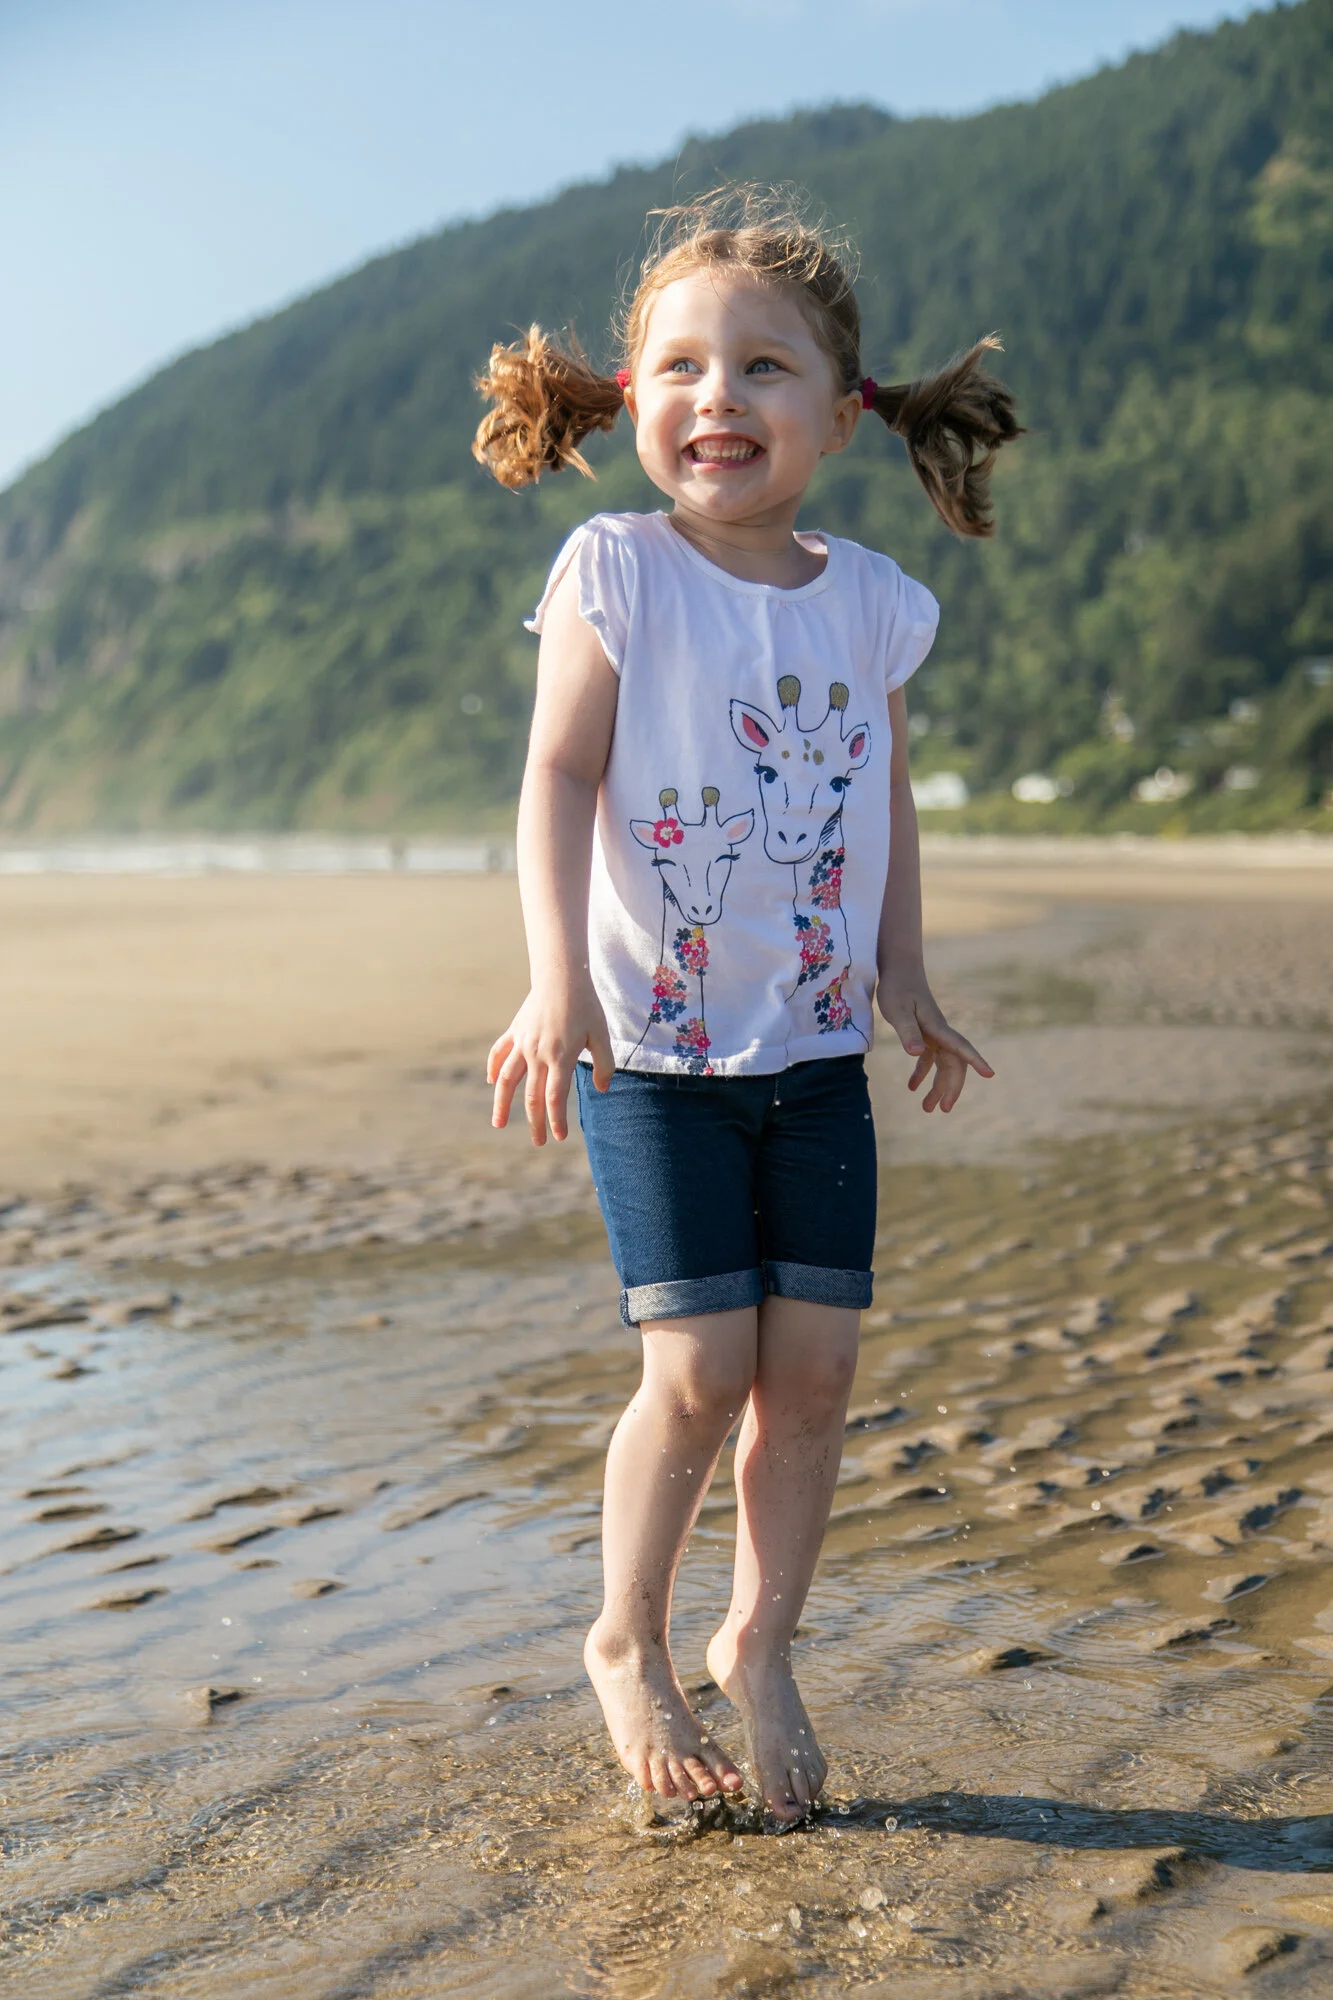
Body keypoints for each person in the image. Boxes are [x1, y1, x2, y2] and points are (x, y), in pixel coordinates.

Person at [476, 187, 1017, 1825]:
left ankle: (759, 1641)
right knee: (703, 1369)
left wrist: (905, 974)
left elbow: (884, 804)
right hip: (652, 1053)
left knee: (818, 1373)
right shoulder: (617, 570)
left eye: (764, 367)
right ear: (630, 399)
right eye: (683, 367)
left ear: (843, 414)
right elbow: (555, 776)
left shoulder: (872, 602)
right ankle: (626, 1640)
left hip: (817, 1054)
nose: (720, 396)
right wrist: (554, 981)